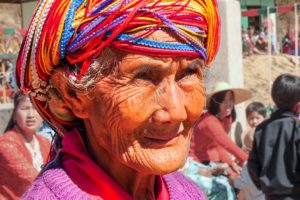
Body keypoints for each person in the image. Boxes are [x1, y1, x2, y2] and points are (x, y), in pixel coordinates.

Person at [16, 0, 221, 199]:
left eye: (188, 73)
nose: (177, 112)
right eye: (143, 76)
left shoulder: (187, 192)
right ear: (73, 95)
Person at [184, 81, 251, 200]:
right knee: (226, 187)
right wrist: (252, 161)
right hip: (195, 163)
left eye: (230, 99)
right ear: (216, 103)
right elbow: (228, 145)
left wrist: (232, 163)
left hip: (212, 161)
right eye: (223, 101)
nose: (228, 104)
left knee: (235, 180)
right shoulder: (209, 121)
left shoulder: (226, 118)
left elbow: (219, 146)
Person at [248, 74, 300, 200]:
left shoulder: (261, 129)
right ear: (297, 104)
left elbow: (253, 165)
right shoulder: (297, 127)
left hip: (270, 196)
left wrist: (264, 185)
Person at [0, 92, 50, 200]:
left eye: (35, 108)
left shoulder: (45, 142)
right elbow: (33, 178)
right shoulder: (6, 144)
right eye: (25, 108)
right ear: (14, 115)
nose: (31, 115)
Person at [231, 102, 267, 200]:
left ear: (264, 118)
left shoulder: (268, 136)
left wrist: (232, 180)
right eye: (251, 118)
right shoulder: (247, 136)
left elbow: (244, 182)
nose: (254, 121)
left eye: (257, 118)